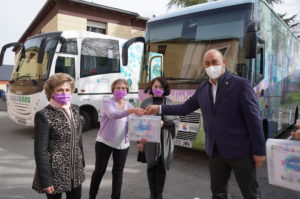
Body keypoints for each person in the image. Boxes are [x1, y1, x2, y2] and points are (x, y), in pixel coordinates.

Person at [145, 49, 266, 199]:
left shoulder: (241, 85)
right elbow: (185, 108)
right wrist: (160, 107)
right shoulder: (203, 88)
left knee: (251, 194)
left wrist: (259, 151)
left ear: (224, 62)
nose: (211, 66)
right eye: (207, 63)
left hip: (241, 151)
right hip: (215, 152)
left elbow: (254, 119)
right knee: (218, 192)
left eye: (214, 62)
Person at [89, 79, 145, 199]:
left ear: (127, 91)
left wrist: (144, 135)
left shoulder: (129, 105)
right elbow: (113, 114)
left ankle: (116, 197)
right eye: (117, 88)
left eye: (123, 88)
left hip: (122, 144)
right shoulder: (107, 102)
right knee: (99, 171)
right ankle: (92, 196)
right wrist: (132, 110)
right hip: (105, 141)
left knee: (118, 173)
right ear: (113, 90)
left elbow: (137, 124)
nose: (120, 90)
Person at [32, 73, 85, 199]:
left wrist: (81, 161)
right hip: (55, 172)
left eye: (67, 90)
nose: (64, 93)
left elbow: (78, 138)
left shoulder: (75, 109)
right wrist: (46, 179)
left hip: (75, 169)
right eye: (60, 90)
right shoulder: (44, 115)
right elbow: (40, 150)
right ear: (51, 92)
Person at [136, 77, 179, 199]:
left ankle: (159, 195)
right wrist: (139, 141)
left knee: (161, 167)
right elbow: (139, 123)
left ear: (165, 89)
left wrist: (163, 124)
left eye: (160, 87)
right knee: (150, 166)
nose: (158, 89)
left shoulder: (170, 103)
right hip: (149, 141)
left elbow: (176, 123)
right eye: (155, 86)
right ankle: (152, 193)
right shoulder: (146, 103)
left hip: (164, 140)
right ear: (151, 88)